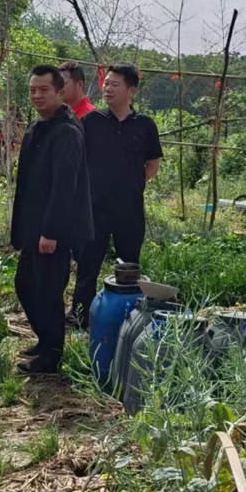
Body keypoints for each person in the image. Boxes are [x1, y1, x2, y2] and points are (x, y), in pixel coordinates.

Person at [10, 65, 93, 374]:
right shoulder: (39, 127)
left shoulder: (67, 131)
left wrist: (51, 232)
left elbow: (64, 187)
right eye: (32, 90)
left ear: (60, 93)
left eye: (43, 90)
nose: (36, 95)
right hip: (35, 227)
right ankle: (46, 341)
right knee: (26, 285)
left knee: (47, 290)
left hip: (53, 232)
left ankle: (51, 356)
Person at [69, 64, 163, 329]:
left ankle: (127, 319)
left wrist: (128, 183)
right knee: (87, 265)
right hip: (93, 208)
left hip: (129, 210)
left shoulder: (144, 125)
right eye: (106, 83)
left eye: (115, 84)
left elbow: (152, 166)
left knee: (129, 267)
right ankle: (79, 317)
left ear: (131, 90)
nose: (107, 89)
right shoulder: (92, 121)